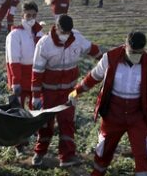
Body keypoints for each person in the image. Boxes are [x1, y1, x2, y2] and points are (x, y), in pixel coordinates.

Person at [69, 31, 147, 175]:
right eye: (132, 51)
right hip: (112, 114)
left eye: (139, 52)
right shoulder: (110, 58)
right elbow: (93, 77)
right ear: (126, 45)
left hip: (137, 116)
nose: (135, 55)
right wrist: (75, 92)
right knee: (103, 151)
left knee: (143, 154)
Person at [31, 15, 103, 167]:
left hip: (69, 92)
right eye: (63, 32)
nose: (66, 35)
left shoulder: (76, 37)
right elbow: (37, 72)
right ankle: (39, 153)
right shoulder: (44, 44)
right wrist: (36, 96)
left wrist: (105, 61)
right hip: (48, 92)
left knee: (67, 122)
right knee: (45, 123)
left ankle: (67, 156)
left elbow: (92, 49)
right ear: (56, 28)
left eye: (68, 32)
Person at [5, 2, 44, 108]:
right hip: (20, 74)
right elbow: (14, 59)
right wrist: (15, 81)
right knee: (19, 109)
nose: (31, 18)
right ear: (22, 15)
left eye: (34, 16)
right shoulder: (15, 34)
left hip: (36, 75)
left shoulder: (39, 33)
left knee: (36, 108)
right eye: (28, 15)